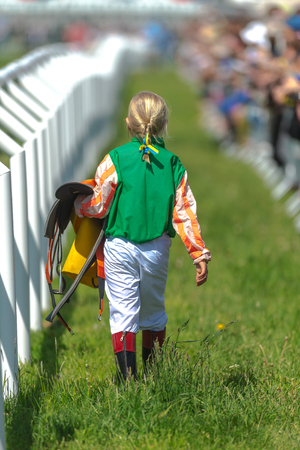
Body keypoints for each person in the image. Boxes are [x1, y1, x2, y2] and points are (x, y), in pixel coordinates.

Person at [74, 91, 211, 381]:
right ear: (163, 124)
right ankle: (152, 375)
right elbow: (184, 212)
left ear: (128, 123)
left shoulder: (115, 159)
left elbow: (98, 205)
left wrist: (77, 205)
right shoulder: (173, 163)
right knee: (153, 309)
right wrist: (198, 253)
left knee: (123, 311)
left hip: (119, 247)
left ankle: (128, 380)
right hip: (156, 250)